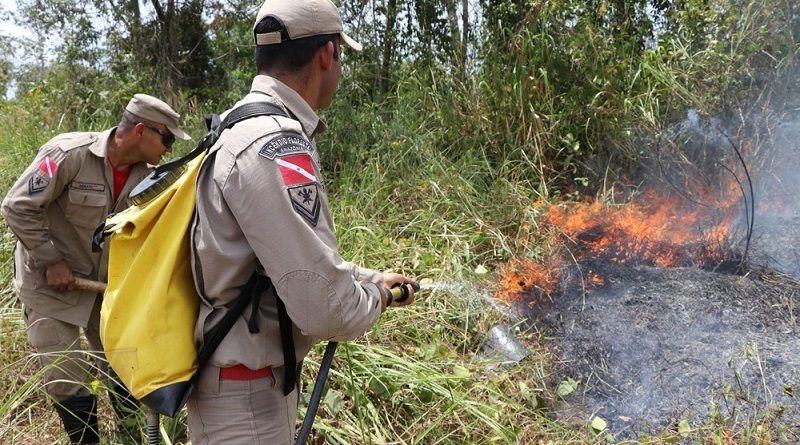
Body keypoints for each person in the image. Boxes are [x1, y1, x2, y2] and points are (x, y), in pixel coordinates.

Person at [187, 0, 417, 443]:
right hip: (246, 402)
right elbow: (324, 309)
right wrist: (377, 297)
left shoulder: (240, 125)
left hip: (242, 387)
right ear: (327, 55)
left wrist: (370, 277)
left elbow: (281, 260)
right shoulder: (275, 144)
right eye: (341, 56)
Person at [1, 94, 191, 444]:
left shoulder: (149, 179)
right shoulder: (68, 154)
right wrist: (50, 260)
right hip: (49, 285)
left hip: (102, 289)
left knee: (124, 366)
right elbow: (17, 206)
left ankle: (131, 437)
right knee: (65, 375)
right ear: (139, 131)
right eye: (166, 138)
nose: (167, 148)